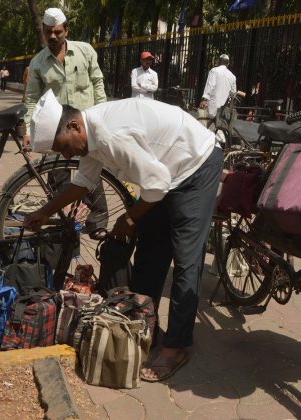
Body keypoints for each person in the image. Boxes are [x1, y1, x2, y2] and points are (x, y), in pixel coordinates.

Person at [24, 91, 223, 383]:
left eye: (63, 147)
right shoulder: (88, 135)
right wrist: (45, 211)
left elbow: (156, 185)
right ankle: (144, 327)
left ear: (74, 127)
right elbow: (84, 182)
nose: (66, 155)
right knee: (149, 253)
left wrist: (129, 218)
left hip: (195, 166)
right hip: (164, 173)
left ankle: (176, 346)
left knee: (186, 259)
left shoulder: (110, 136)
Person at [23, 7, 108, 247]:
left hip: (85, 127)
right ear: (43, 31)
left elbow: (98, 83)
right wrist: (28, 131)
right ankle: (64, 221)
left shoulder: (85, 51)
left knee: (93, 172)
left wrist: (103, 114)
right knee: (58, 175)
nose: (52, 37)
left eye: (57, 32)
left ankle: (98, 224)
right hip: (58, 132)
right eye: (48, 32)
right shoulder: (38, 63)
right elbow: (31, 99)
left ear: (66, 31)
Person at [199, 54, 237, 118]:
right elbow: (233, 93)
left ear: (218, 62)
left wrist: (204, 99)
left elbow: (210, 86)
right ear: (228, 64)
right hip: (224, 109)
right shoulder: (233, 76)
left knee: (208, 125)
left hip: (213, 107)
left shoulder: (214, 71)